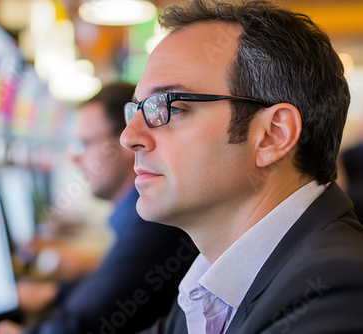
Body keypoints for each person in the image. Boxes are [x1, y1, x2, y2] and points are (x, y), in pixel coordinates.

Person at [120, 1, 363, 333]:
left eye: (170, 106)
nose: (129, 137)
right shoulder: (218, 280)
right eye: (137, 109)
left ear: (272, 135)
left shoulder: (336, 287)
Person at [0, 82, 198, 334]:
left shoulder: (153, 220)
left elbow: (84, 325)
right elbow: (110, 287)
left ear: (124, 143)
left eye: (83, 143)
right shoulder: (136, 216)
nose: (73, 158)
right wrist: (54, 291)